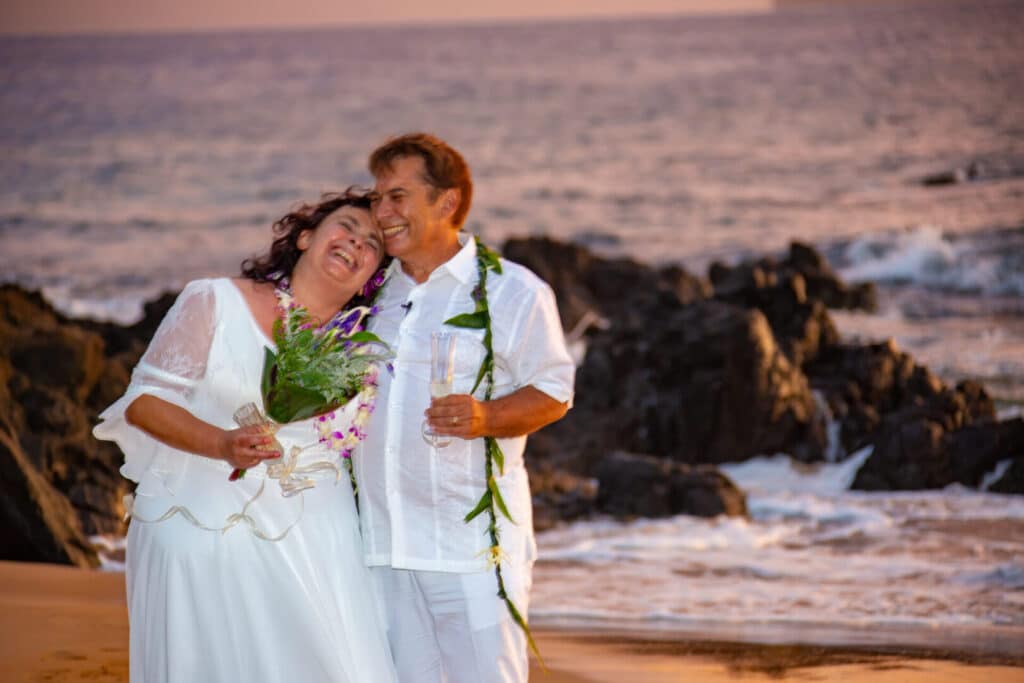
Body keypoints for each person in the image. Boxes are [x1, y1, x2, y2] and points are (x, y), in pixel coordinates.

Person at [93, 189, 398, 683]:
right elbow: (144, 403)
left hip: (317, 543)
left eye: (373, 245)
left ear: (373, 275)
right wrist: (221, 443)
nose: (356, 243)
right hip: (199, 528)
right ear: (304, 237)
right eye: (347, 226)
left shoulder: (365, 356)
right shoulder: (215, 300)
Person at [357, 133, 575, 683]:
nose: (381, 213)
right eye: (377, 198)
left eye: (397, 197)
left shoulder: (512, 292)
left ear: (446, 202)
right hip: (380, 549)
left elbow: (554, 390)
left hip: (470, 551)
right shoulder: (368, 294)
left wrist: (486, 418)